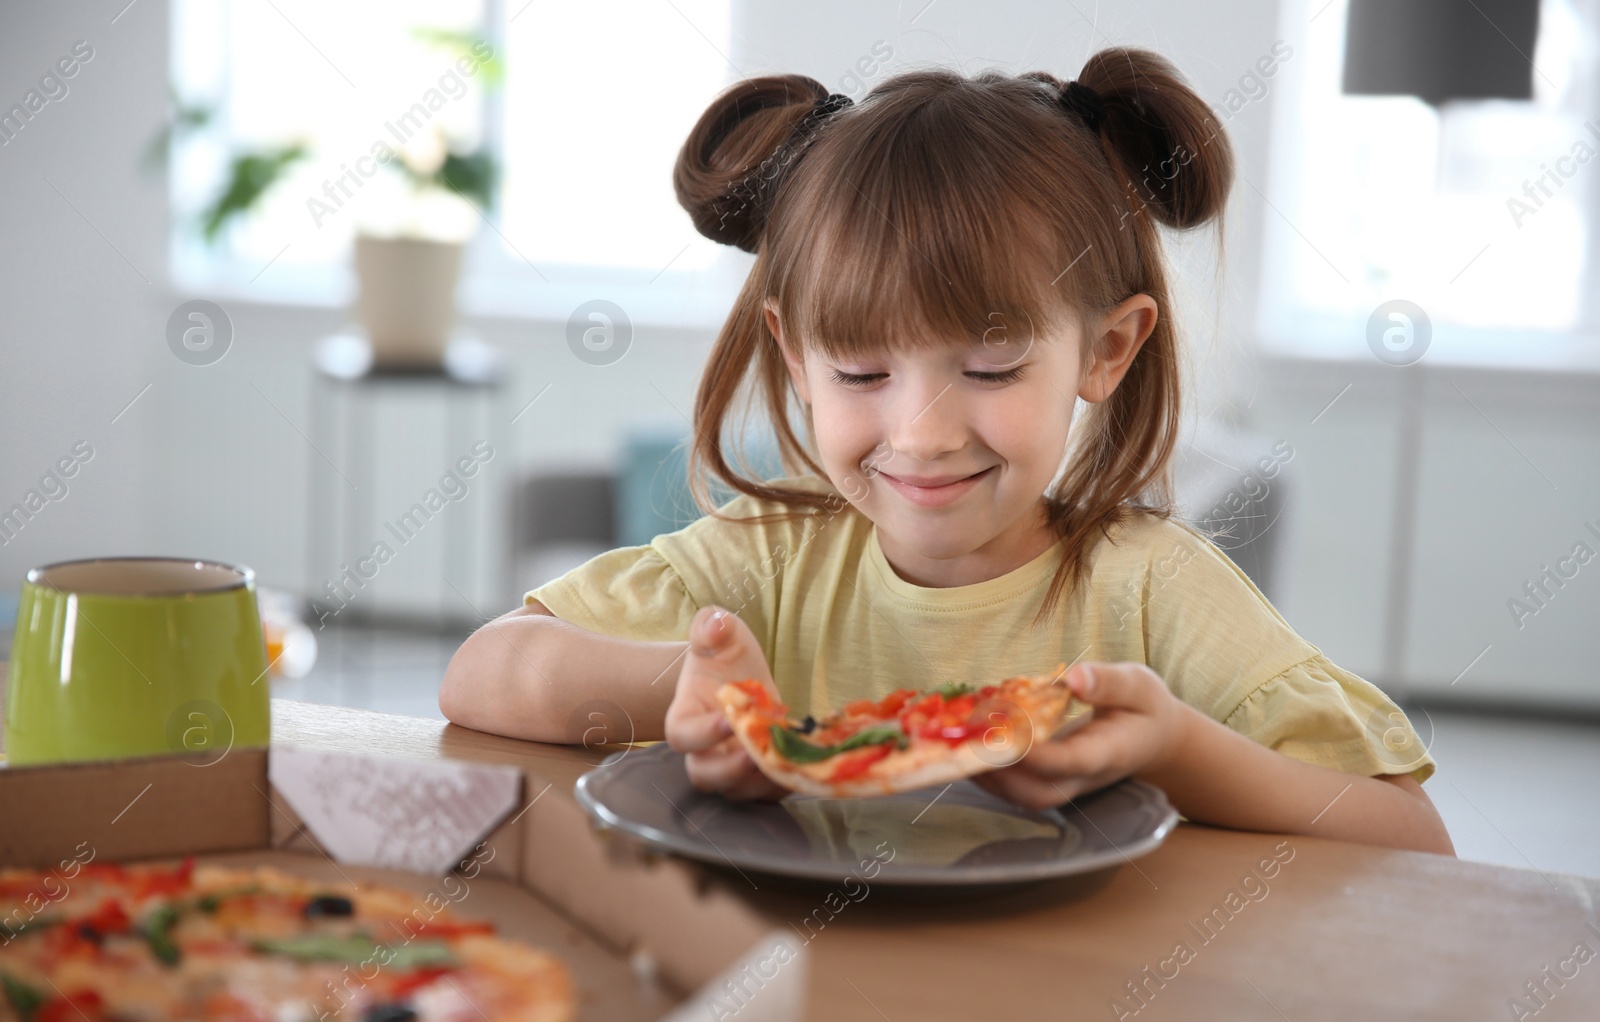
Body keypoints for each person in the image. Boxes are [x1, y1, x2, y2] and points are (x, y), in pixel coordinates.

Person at [440, 48, 1453, 855]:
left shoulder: (1155, 590)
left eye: (993, 364)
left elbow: (1409, 837)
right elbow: (482, 674)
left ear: (1105, 349)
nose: (922, 433)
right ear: (794, 356)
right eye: (862, 372)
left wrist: (1183, 749)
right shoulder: (771, 555)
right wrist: (690, 692)